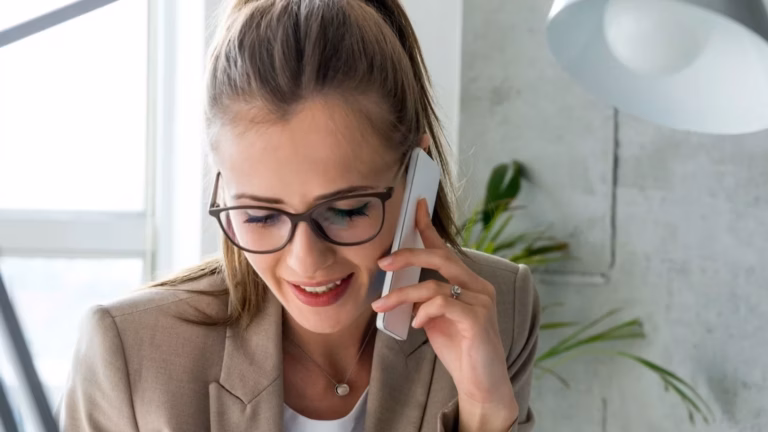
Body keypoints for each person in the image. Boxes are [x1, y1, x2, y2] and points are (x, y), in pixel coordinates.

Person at [55, 0, 539, 430]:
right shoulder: (131, 353)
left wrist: (485, 412)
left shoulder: (498, 314)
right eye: (261, 216)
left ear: (418, 173)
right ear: (222, 185)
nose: (306, 261)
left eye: (346, 210)